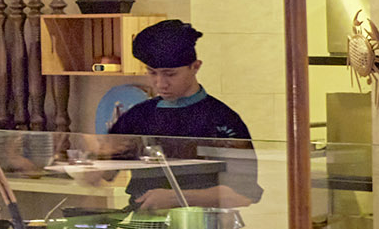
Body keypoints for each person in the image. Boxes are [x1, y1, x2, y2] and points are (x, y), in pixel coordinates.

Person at [98, 18, 259, 209]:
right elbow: (104, 174)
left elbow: (243, 194)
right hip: (145, 228)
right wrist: (94, 155)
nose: (160, 83)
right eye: (152, 73)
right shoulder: (138, 116)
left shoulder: (222, 120)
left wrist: (177, 197)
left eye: (170, 74)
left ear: (195, 66)